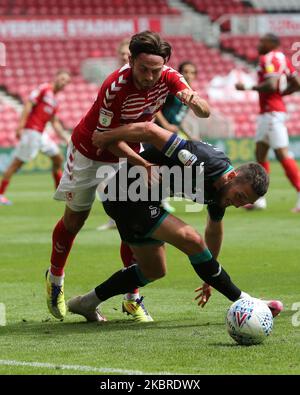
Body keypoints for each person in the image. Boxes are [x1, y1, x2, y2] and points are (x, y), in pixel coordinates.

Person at [46, 31, 210, 321]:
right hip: (90, 151)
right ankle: (55, 280)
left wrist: (194, 101)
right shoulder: (115, 87)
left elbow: (204, 112)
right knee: (75, 220)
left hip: (128, 152)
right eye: (143, 69)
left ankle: (131, 298)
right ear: (131, 60)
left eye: (155, 70)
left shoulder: (169, 77)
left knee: (132, 218)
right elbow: (104, 139)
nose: (149, 76)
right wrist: (142, 164)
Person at [67, 121, 283, 322]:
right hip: (125, 194)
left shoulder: (222, 192)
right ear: (231, 177)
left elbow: (214, 230)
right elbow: (150, 131)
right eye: (240, 197)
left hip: (143, 201)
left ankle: (86, 303)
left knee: (153, 270)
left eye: (245, 202)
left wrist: (211, 276)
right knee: (191, 239)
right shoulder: (202, 162)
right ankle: (246, 301)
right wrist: (108, 136)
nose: (238, 204)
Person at [235, 33, 300, 212]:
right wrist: (282, 94)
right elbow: (297, 83)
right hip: (270, 112)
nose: (258, 45)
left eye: (262, 42)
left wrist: (247, 87)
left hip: (272, 114)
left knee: (282, 154)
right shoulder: (283, 59)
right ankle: (259, 200)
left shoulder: (268, 58)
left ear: (272, 43)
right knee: (261, 153)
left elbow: (271, 85)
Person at [0, 70, 71, 205]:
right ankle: (0, 194)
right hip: (31, 132)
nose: (63, 83)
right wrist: (20, 126)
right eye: (62, 79)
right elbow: (28, 104)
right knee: (16, 164)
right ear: (56, 77)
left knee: (58, 158)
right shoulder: (44, 89)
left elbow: (54, 122)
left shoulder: (55, 101)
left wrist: (66, 139)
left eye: (66, 82)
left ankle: (58, 191)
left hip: (41, 134)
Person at [96, 38, 131, 231]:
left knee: (131, 180)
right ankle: (115, 219)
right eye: (122, 54)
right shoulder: (112, 79)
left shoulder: (142, 78)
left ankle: (129, 219)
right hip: (113, 136)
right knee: (104, 180)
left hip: (131, 136)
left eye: (128, 53)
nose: (125, 56)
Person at [154, 60, 198, 213]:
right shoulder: (173, 91)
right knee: (162, 165)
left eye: (192, 72)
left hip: (171, 134)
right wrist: (165, 125)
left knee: (168, 166)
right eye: (185, 72)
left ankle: (161, 198)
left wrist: (190, 135)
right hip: (157, 132)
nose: (189, 75)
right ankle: (158, 199)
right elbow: (155, 107)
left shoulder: (190, 94)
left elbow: (178, 119)